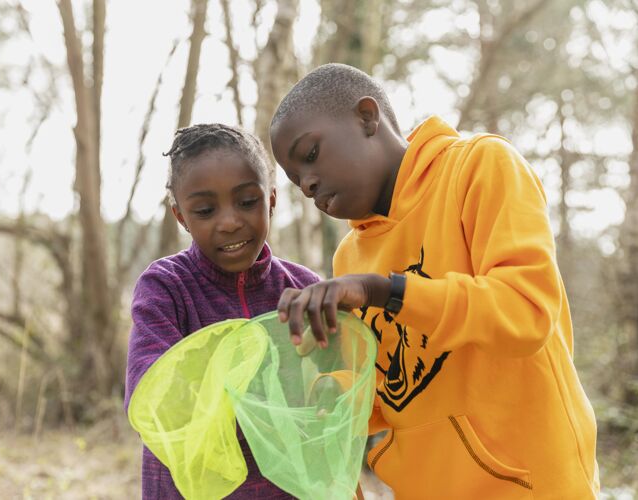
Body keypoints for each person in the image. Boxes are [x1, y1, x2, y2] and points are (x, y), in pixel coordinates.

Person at [270, 63, 599, 499]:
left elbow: (527, 312)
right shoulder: (350, 256)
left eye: (310, 155)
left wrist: (386, 292)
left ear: (367, 118)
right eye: (295, 181)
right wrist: (321, 389)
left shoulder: (480, 166)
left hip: (531, 485)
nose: (308, 184)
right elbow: (389, 390)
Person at [124, 123, 319, 499]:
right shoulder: (167, 287)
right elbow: (151, 396)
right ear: (181, 217)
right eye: (205, 210)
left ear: (272, 201)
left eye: (247, 202)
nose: (229, 222)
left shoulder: (303, 288)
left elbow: (332, 394)